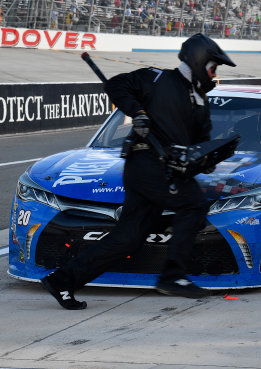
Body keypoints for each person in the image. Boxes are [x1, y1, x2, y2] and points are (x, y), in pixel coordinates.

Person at [41, 33, 236, 310]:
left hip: (167, 173)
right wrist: (139, 112)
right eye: (213, 67)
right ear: (199, 61)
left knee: (128, 239)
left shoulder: (201, 102)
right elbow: (117, 86)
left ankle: (62, 280)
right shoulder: (154, 78)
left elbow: (198, 145)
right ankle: (173, 276)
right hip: (145, 165)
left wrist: (208, 158)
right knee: (193, 205)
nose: (214, 74)